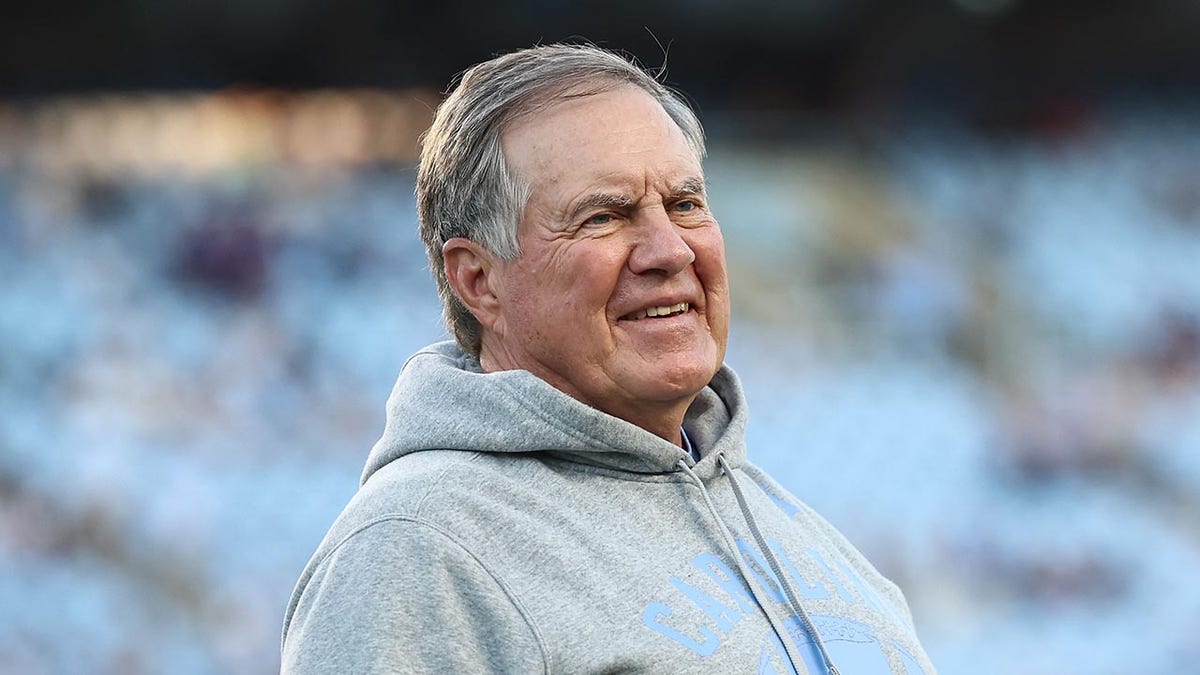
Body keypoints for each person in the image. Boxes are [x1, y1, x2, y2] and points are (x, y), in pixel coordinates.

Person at [280, 44, 936, 674]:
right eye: (604, 216)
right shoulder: (419, 549)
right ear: (479, 280)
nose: (670, 250)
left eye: (685, 204)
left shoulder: (803, 537)